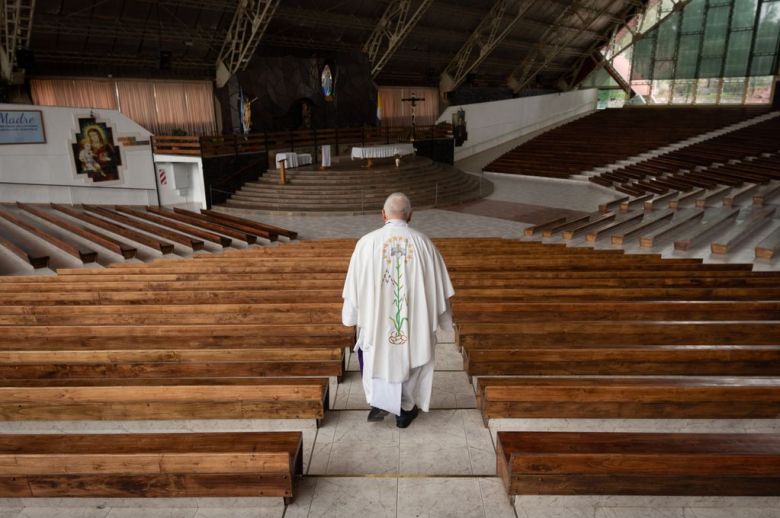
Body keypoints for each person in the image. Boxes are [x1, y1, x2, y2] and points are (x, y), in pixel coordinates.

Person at [342, 193, 455, 428]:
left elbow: (354, 287)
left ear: (383, 215)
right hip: (414, 324)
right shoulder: (424, 243)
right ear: (410, 215)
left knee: (376, 355)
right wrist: (444, 320)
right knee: (413, 357)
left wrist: (351, 316)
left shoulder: (365, 244)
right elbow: (439, 287)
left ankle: (381, 401)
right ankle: (404, 409)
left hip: (376, 322)